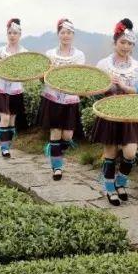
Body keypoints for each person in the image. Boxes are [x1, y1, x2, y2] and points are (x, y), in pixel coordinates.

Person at [91, 19, 138, 206]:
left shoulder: (136, 66)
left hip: (129, 113)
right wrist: (106, 85)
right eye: (122, 42)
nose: (126, 46)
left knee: (130, 152)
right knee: (111, 152)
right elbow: (95, 88)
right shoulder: (104, 64)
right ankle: (109, 187)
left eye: (130, 43)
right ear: (115, 42)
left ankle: (121, 181)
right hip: (109, 113)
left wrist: (123, 86)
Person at [38, 18, 85, 180]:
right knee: (55, 131)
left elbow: (78, 77)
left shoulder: (79, 55)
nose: (66, 35)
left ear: (73, 35)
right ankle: (57, 168)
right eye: (63, 32)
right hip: (52, 98)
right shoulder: (50, 54)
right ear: (58, 34)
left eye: (69, 33)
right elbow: (42, 78)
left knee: (68, 136)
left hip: (70, 99)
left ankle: (54, 148)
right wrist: (44, 76)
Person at [0, 18, 27, 157]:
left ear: (19, 35)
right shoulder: (1, 50)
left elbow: (26, 71)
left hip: (16, 90)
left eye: (15, 33)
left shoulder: (24, 52)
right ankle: (4, 148)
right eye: (10, 33)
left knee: (12, 119)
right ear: (7, 34)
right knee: (5, 117)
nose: (12, 35)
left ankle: (8, 143)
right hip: (1, 88)